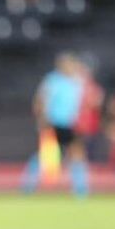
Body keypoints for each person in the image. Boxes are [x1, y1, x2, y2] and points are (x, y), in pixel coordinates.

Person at [22, 52, 90, 196]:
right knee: (46, 155)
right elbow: (40, 100)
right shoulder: (53, 80)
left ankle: (81, 190)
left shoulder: (76, 81)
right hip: (53, 122)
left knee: (77, 154)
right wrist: (42, 118)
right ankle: (28, 186)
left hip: (69, 124)